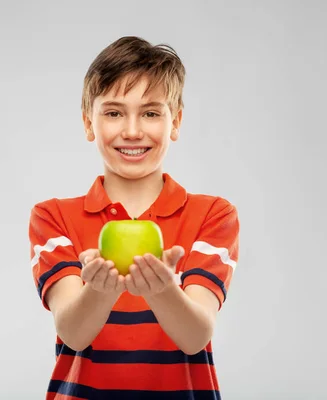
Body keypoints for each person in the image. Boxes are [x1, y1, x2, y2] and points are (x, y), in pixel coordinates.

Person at [29, 36, 240, 399]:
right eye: (113, 112)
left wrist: (162, 292)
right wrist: (97, 291)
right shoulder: (52, 217)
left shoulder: (213, 215)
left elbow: (195, 336)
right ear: (88, 123)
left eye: (151, 112)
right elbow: (74, 332)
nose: (131, 130)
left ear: (175, 123)